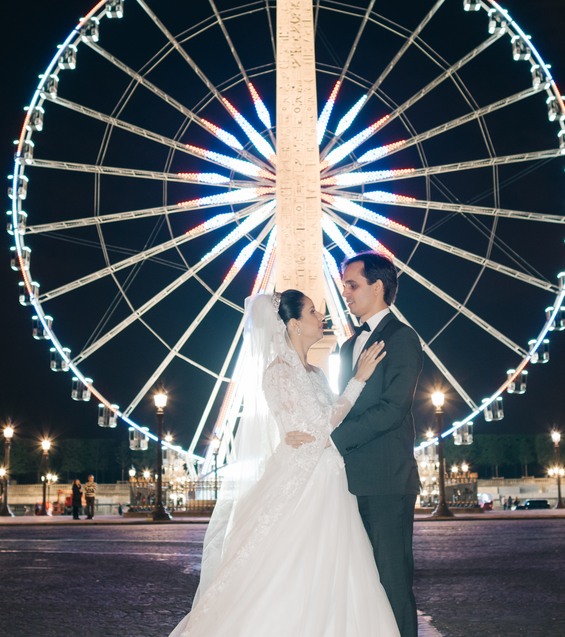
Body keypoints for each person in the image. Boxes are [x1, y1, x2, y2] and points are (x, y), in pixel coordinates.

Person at [168, 290, 398, 637]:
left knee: (336, 571)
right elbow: (321, 427)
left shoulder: (317, 373)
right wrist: (358, 380)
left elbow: (325, 426)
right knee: (295, 568)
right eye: (312, 311)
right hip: (305, 480)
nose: (321, 316)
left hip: (328, 477)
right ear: (293, 325)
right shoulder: (277, 373)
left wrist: (325, 423)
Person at [286, 252, 424, 637]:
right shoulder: (346, 349)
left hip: (385, 480)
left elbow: (394, 408)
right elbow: (337, 406)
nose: (343, 293)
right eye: (345, 285)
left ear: (377, 287)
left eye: (351, 284)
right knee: (358, 588)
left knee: (392, 584)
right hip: (345, 482)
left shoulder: (402, 338)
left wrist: (331, 440)